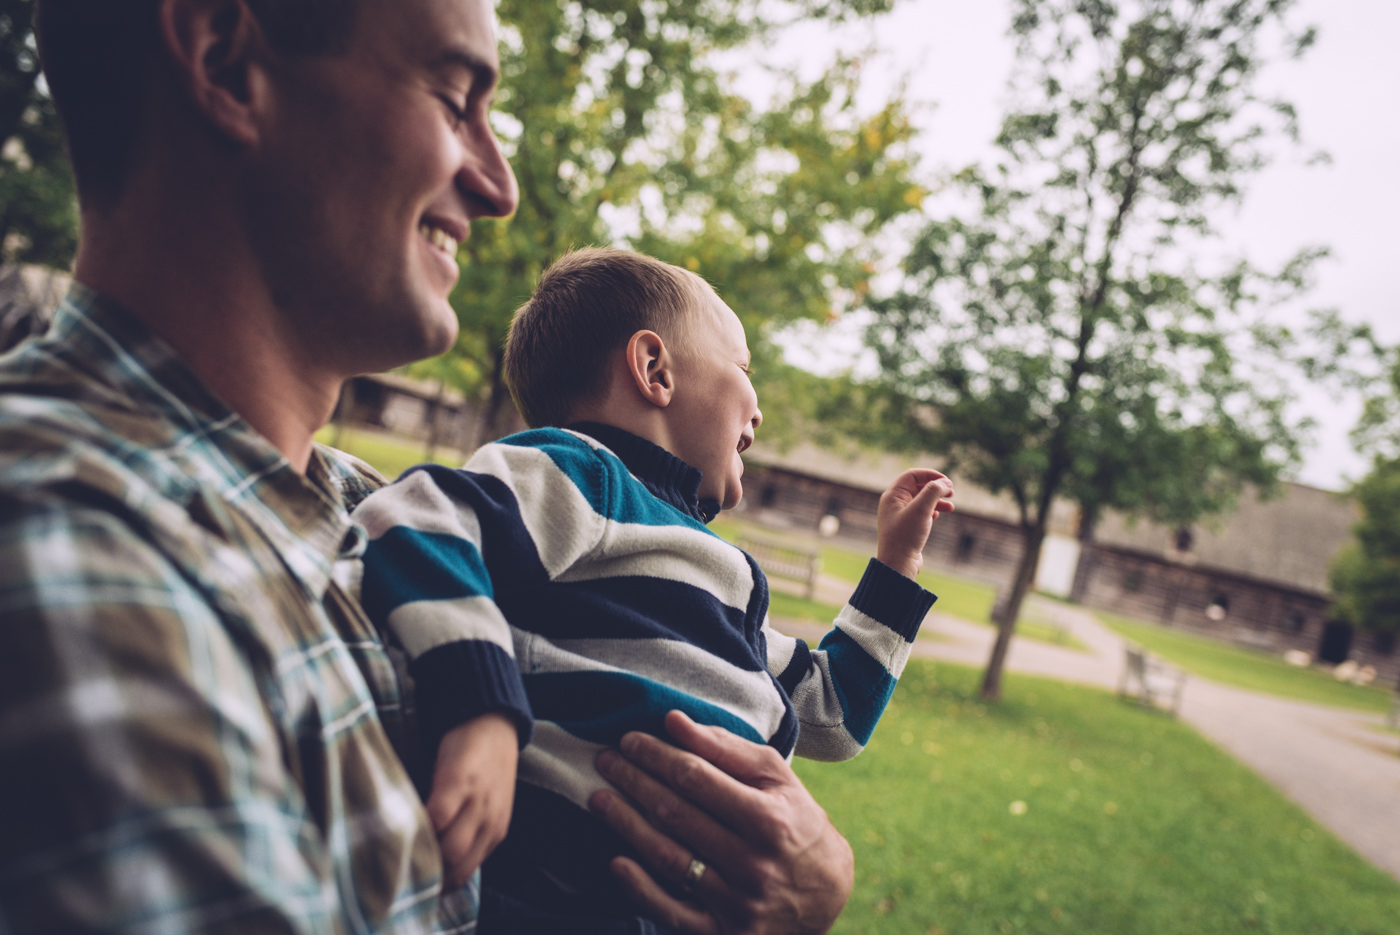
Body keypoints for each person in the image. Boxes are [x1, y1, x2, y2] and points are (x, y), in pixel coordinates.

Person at [0, 1, 864, 932]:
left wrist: (804, 880)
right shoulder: (74, 546)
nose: (500, 187)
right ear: (224, 61)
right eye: (457, 100)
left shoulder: (347, 504)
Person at [352, 247, 956, 930]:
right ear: (654, 370)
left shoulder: (717, 576)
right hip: (551, 890)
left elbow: (833, 712)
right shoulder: (577, 475)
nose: (758, 409)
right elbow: (415, 518)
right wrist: (481, 708)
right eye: (745, 369)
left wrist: (896, 565)